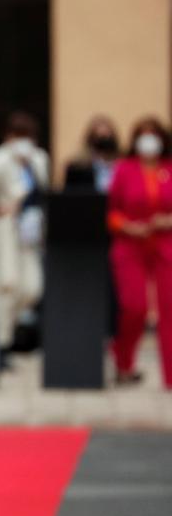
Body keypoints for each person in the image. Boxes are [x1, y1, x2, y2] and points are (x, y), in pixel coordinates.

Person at [106, 117, 172, 387]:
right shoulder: (125, 169)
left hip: (165, 244)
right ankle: (123, 362)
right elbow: (110, 212)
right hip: (130, 244)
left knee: (169, 308)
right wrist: (129, 227)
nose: (149, 140)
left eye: (153, 135)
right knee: (135, 307)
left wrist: (167, 221)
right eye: (143, 135)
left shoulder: (168, 168)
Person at [0, 111, 49, 356]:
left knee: (32, 287)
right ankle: (1, 343)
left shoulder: (39, 158)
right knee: (6, 284)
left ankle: (11, 329)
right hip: (4, 230)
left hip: (30, 230)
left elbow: (43, 189)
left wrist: (28, 163)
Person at [65, 115, 121, 194]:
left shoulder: (122, 165)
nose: (103, 144)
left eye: (106, 139)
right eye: (99, 138)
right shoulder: (78, 168)